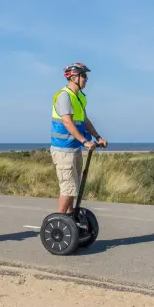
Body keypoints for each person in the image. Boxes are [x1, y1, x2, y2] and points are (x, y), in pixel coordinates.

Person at [50, 62, 108, 214]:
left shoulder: (79, 97)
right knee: (68, 188)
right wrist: (85, 141)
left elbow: (85, 121)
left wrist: (98, 137)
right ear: (73, 77)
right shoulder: (64, 96)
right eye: (83, 76)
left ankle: (69, 218)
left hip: (74, 148)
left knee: (73, 188)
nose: (86, 79)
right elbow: (67, 122)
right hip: (63, 149)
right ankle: (59, 221)